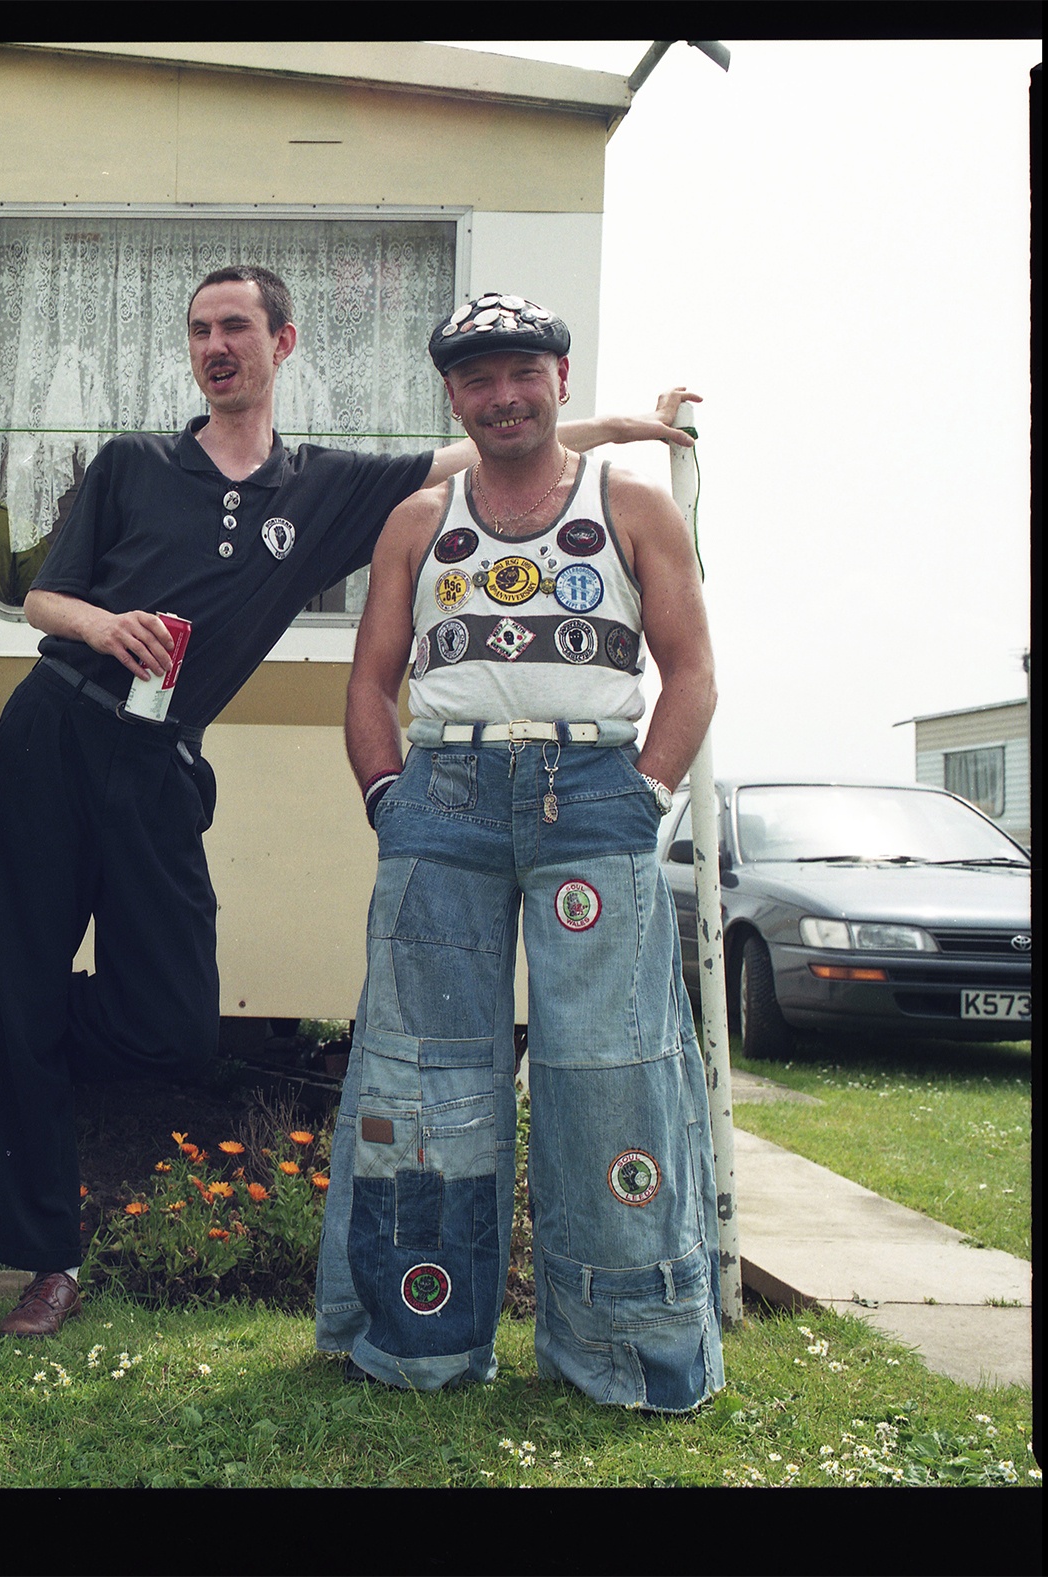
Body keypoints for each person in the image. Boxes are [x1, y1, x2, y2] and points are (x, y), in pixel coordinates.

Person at [0, 265, 698, 1338]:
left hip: (160, 759)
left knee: (174, 1022)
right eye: (198, 329)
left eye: (236, 326)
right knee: (40, 987)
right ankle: (45, 1260)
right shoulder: (133, 464)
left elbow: (490, 440)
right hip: (59, 725)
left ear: (283, 343)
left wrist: (620, 425)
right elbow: (45, 593)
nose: (215, 344)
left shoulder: (322, 488)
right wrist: (102, 624)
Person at [315, 291, 722, 1412]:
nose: (500, 395)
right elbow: (367, 679)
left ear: (557, 376)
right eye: (476, 378)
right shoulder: (417, 519)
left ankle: (626, 1352)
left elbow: (687, 668)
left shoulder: (630, 505)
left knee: (612, 1072)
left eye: (520, 373)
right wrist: (387, 795)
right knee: (422, 1073)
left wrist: (642, 795)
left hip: (593, 792)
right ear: (452, 393)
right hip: (441, 795)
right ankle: (417, 1338)